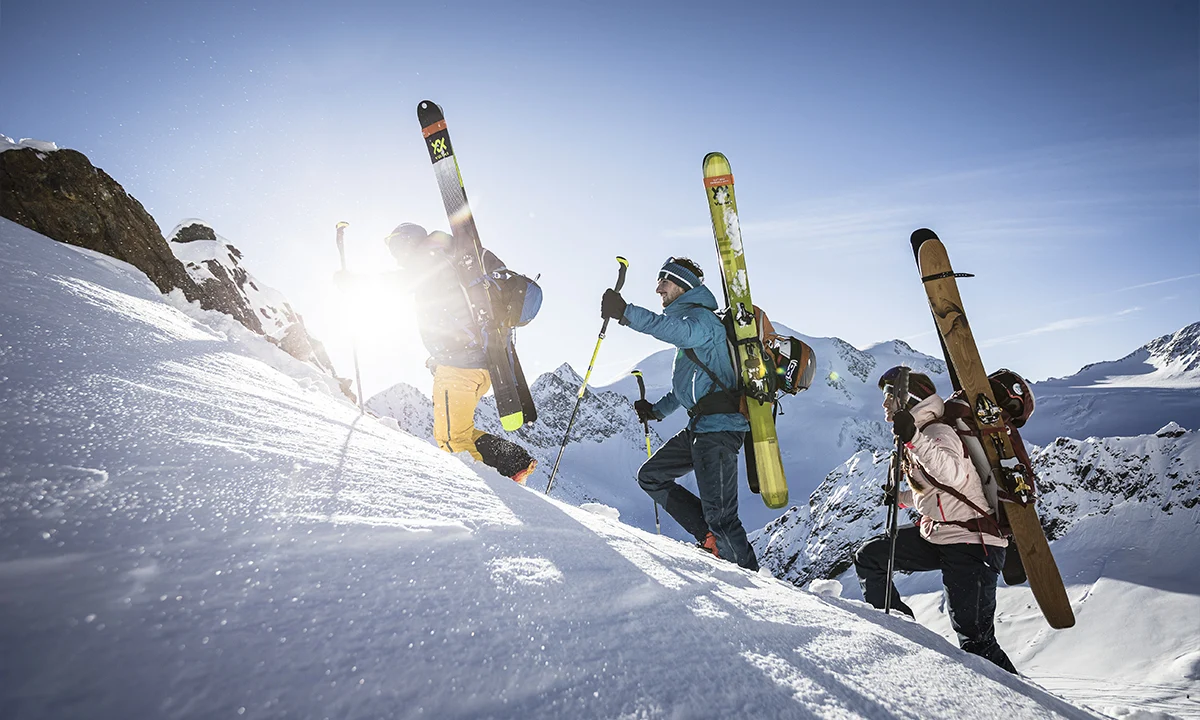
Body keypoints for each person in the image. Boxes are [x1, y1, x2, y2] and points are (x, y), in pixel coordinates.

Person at [853, 367, 1017, 674]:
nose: (884, 405)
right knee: (871, 557)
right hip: (941, 535)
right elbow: (936, 494)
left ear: (909, 399)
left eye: (890, 397)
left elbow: (951, 474)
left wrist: (914, 437)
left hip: (973, 543)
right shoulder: (923, 435)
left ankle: (1025, 703)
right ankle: (906, 635)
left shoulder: (937, 433)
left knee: (977, 643)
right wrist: (900, 497)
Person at [600, 257, 758, 571]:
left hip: (719, 431)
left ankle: (757, 584)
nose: (658, 288)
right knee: (652, 477)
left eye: (665, 281)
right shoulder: (692, 326)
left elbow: (669, 330)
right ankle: (711, 539)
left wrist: (625, 312)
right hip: (700, 428)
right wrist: (656, 411)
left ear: (683, 286)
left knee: (723, 518)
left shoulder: (702, 322)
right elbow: (686, 389)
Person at [352, 223, 537, 484]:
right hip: (485, 366)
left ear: (409, 241)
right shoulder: (455, 260)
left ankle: (484, 497)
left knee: (452, 442)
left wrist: (356, 283)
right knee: (458, 431)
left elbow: (400, 282)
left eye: (395, 245)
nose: (394, 253)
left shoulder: (427, 259)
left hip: (459, 369)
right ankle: (512, 461)